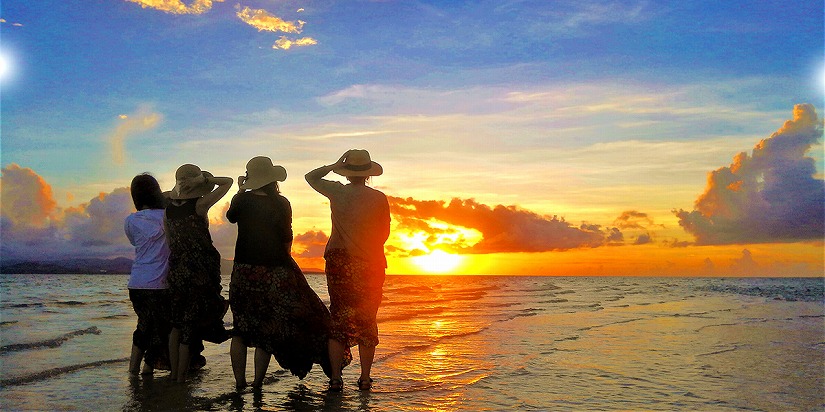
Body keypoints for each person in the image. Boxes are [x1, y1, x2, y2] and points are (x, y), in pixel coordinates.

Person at [226, 156, 343, 390]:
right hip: (275, 271)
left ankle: (240, 384)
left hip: (244, 270)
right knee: (267, 328)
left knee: (240, 329)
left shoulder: (242, 200)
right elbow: (287, 236)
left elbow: (230, 217)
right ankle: (258, 383)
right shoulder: (282, 203)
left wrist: (240, 189)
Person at [305, 149, 391, 392]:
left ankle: (335, 378)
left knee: (339, 317)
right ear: (368, 174)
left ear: (347, 172)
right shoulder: (379, 198)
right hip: (370, 262)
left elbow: (311, 177)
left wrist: (333, 165)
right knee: (367, 319)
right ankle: (365, 378)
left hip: (339, 261)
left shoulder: (337, 191)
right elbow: (384, 233)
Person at [165, 164, 232, 382]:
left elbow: (169, 241)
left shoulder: (168, 209)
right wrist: (204, 180)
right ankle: (180, 378)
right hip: (199, 271)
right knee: (189, 326)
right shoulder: (200, 204)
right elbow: (228, 183)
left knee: (176, 324)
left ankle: (175, 373)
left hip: (176, 269)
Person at [124, 173, 171, 376]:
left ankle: (137, 370)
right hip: (160, 282)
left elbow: (134, 242)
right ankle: (142, 370)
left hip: (137, 283)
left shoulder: (131, 221)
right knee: (158, 328)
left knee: (145, 325)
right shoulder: (167, 216)